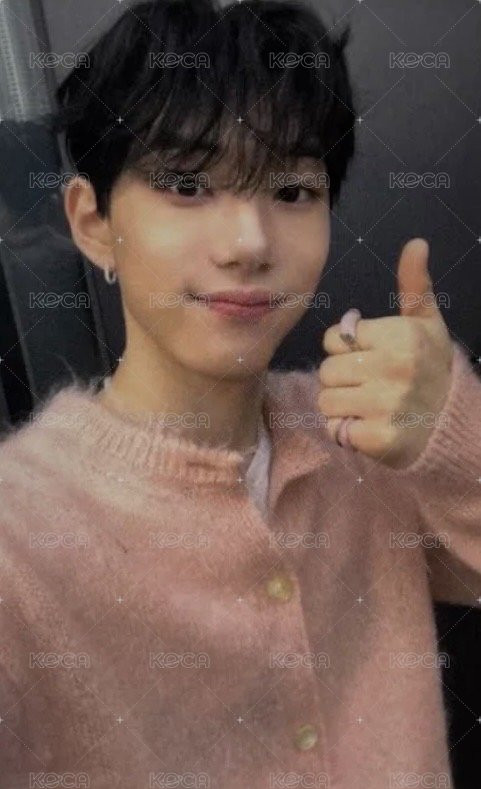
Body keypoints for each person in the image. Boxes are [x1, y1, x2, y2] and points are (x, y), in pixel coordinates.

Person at [1, 1, 480, 787]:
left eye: (290, 191)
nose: (249, 243)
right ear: (92, 222)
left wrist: (449, 433)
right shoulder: (22, 534)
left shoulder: (364, 444)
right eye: (188, 184)